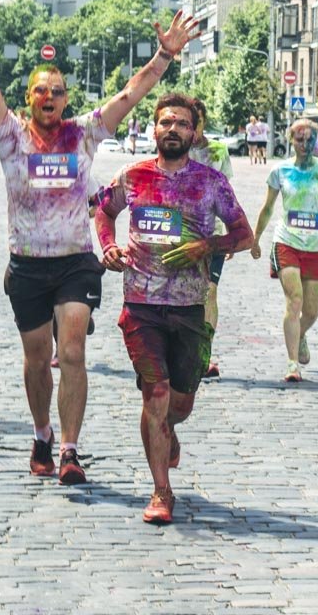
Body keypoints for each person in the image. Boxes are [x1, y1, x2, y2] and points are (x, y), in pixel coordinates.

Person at [0, 0, 199, 485]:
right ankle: (42, 432)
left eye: (58, 91)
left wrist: (165, 55)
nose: (50, 97)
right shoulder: (11, 136)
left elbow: (129, 96)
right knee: (38, 359)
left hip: (76, 261)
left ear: (66, 100)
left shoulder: (83, 133)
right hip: (27, 264)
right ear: (30, 98)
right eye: (41, 90)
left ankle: (69, 449)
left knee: (74, 350)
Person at [96, 94, 253, 524]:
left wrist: (209, 245)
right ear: (153, 129)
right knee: (157, 395)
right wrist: (108, 247)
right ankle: (161, 490)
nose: (172, 129)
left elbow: (244, 234)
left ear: (194, 132)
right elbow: (103, 211)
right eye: (165, 122)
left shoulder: (210, 182)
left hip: (189, 308)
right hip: (141, 304)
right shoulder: (133, 176)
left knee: (179, 403)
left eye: (182, 124)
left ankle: (169, 430)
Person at [250, 118, 318, 383]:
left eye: (310, 139)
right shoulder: (280, 171)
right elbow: (268, 207)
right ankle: (293, 364)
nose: (305, 145)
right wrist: (255, 238)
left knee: (311, 311)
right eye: (300, 139)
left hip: (315, 245)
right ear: (291, 140)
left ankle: (300, 333)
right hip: (286, 241)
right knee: (295, 300)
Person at [188, 99, 232, 379]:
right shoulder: (173, 147)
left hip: (212, 234)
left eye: (197, 122)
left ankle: (203, 356)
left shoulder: (218, 152)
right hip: (177, 235)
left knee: (209, 292)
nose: (192, 130)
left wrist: (230, 232)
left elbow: (226, 193)